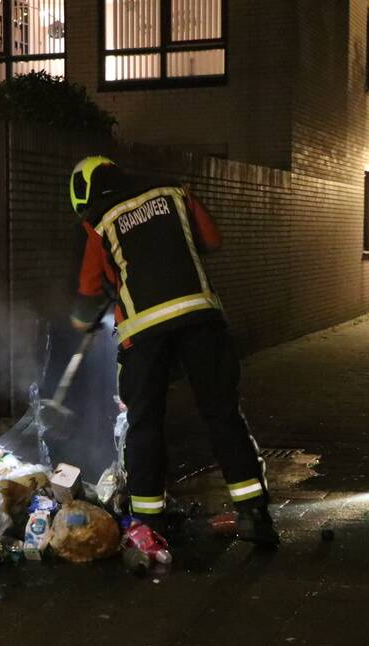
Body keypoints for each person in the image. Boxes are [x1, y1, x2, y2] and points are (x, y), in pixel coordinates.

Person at [67, 156, 279, 548]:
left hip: (144, 333)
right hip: (201, 319)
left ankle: (148, 526)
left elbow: (87, 293)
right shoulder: (175, 192)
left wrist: (83, 320)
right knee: (222, 413)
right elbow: (213, 240)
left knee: (145, 423)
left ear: (84, 193)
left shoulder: (99, 222)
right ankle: (255, 514)